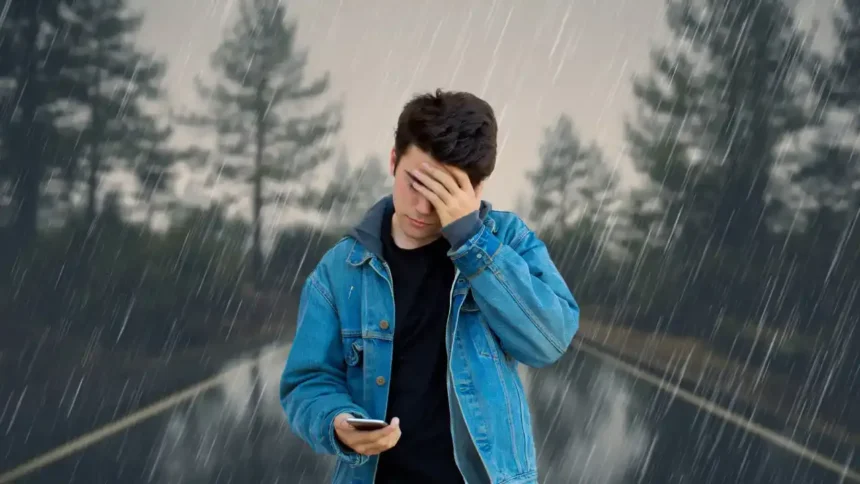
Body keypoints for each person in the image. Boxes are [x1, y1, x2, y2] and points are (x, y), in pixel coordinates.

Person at [279, 88, 579, 484]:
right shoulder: (341, 269)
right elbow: (307, 382)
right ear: (393, 161)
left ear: (476, 189)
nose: (423, 207)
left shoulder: (508, 241)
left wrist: (474, 244)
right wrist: (337, 422)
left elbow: (549, 341)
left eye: (443, 191)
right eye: (415, 183)